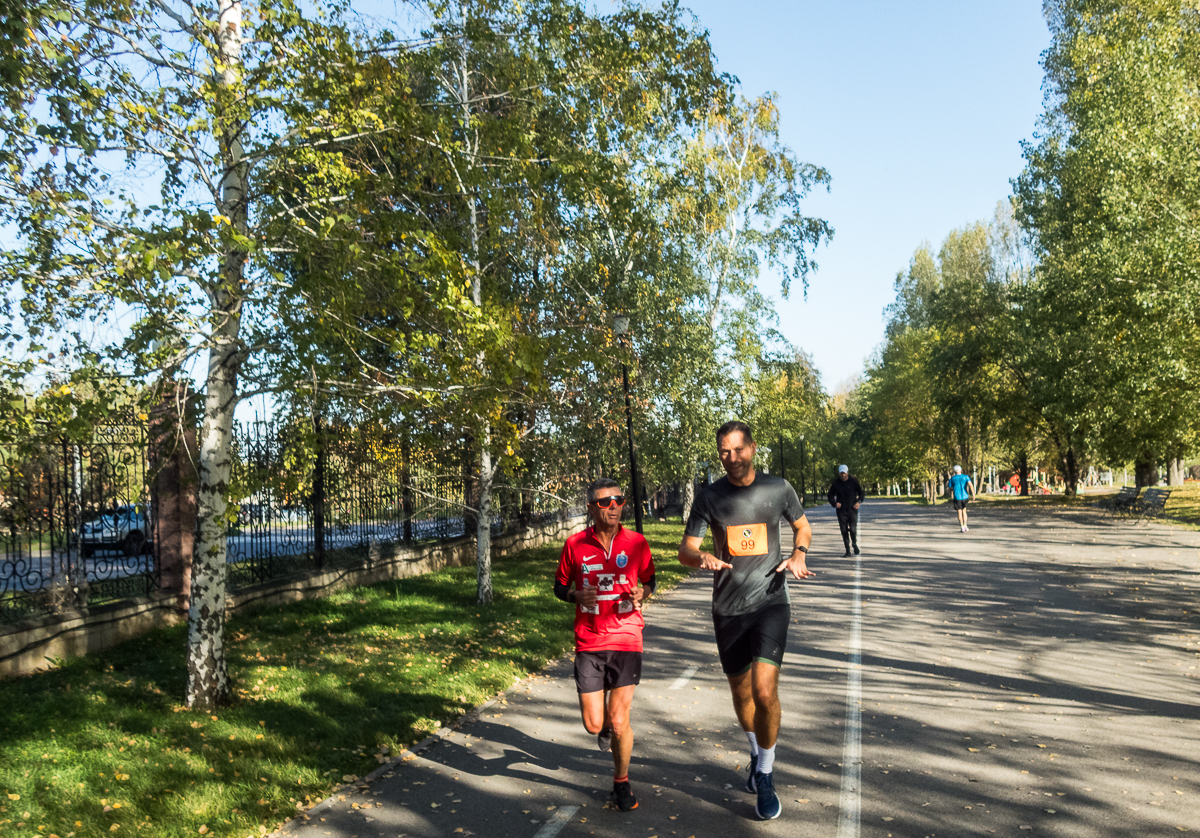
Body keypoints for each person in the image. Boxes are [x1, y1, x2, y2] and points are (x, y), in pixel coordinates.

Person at [678, 421, 814, 821]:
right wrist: (698, 557)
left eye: (739, 449)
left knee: (764, 692)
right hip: (728, 609)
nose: (732, 458)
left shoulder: (778, 489)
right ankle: (757, 753)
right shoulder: (709, 497)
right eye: (724, 451)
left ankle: (767, 774)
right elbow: (686, 548)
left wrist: (800, 552)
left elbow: (802, 525)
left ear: (753, 448)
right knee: (741, 694)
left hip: (771, 603)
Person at [555, 478, 657, 812]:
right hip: (589, 639)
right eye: (605, 502)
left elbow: (650, 581)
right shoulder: (575, 545)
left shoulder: (637, 542)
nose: (614, 506)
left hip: (627, 636)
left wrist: (643, 593)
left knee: (620, 718)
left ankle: (622, 783)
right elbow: (558, 587)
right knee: (594, 724)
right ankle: (605, 730)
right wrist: (574, 595)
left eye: (618, 500)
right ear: (591, 508)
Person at [826, 464, 864, 557]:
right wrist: (834, 503)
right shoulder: (836, 483)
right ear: (839, 473)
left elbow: (861, 493)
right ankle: (847, 551)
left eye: (845, 473)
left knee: (853, 529)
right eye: (841, 473)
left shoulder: (853, 482)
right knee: (844, 531)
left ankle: (854, 544)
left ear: (847, 472)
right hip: (841, 511)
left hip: (852, 509)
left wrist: (858, 502)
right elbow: (830, 495)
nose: (843, 475)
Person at [949, 465, 975, 531]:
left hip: (957, 497)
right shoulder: (966, 477)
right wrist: (973, 494)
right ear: (961, 470)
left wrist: (952, 491)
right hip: (965, 496)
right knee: (964, 511)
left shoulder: (952, 478)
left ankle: (962, 526)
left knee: (959, 512)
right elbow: (970, 485)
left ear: (954, 471)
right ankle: (966, 525)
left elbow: (950, 488)